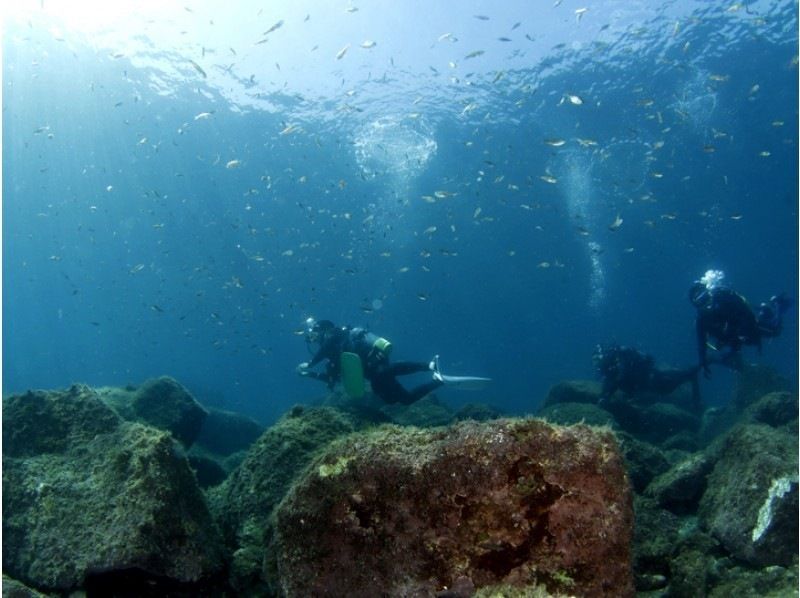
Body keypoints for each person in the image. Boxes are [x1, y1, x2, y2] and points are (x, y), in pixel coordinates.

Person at [296, 318, 444, 405]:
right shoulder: (331, 357)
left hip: (374, 359)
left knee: (383, 371)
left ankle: (430, 366)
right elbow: (330, 379)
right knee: (401, 400)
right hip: (369, 373)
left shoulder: (336, 333)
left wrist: (310, 363)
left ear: (324, 330)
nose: (315, 340)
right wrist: (308, 374)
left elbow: (327, 345)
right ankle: (437, 381)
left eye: (315, 335)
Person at [689, 269, 791, 376]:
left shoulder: (723, 300)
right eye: (699, 301)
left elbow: (744, 313)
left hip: (747, 328)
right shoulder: (701, 320)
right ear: (695, 305)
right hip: (734, 338)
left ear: (708, 294)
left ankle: (777, 304)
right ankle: (764, 311)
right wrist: (703, 362)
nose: (705, 303)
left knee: (775, 330)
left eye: (704, 297)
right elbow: (701, 342)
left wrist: (743, 333)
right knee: (730, 356)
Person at [592, 344, 702, 408]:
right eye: (596, 363)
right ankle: (689, 373)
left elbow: (619, 377)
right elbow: (609, 385)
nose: (598, 366)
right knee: (665, 386)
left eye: (598, 361)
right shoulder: (610, 371)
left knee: (666, 387)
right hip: (644, 383)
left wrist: (606, 396)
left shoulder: (619, 362)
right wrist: (603, 397)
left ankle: (691, 372)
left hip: (648, 378)